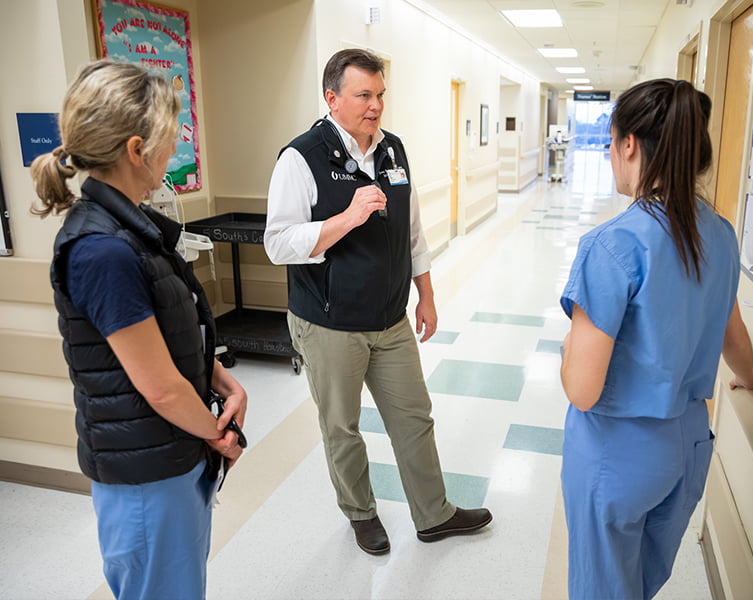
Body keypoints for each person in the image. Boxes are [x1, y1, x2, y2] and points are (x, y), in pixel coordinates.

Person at [30, 60, 247, 599]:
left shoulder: (133, 230)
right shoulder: (102, 250)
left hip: (171, 455)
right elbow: (160, 386)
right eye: (169, 140)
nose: (172, 152)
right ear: (135, 149)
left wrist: (221, 380)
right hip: (148, 473)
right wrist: (217, 433)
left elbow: (165, 338)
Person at [264, 48, 492, 555]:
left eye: (380, 95)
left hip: (390, 320)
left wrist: (426, 295)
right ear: (332, 98)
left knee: (414, 417)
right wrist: (346, 217)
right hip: (329, 323)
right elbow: (277, 243)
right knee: (342, 427)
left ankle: (434, 514)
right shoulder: (300, 157)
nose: (375, 106)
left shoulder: (393, 151)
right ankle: (361, 514)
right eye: (363, 95)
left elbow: (413, 232)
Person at [559, 78, 753, 599]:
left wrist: (568, 348)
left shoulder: (612, 244)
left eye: (612, 144)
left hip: (618, 453)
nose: (611, 156)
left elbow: (582, 388)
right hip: (688, 448)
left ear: (629, 144)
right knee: (640, 586)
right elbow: (733, 336)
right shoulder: (719, 235)